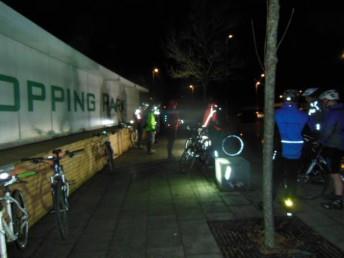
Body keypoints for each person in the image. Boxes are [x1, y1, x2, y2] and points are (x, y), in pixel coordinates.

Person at [274, 89, 309, 199]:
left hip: (280, 148)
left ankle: (272, 196)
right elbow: (308, 131)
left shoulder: (277, 113)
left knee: (276, 174)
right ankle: (291, 197)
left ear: (284, 100)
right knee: (292, 174)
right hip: (296, 149)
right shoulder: (304, 115)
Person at [318, 90, 344, 209]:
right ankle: (336, 193)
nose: (323, 102)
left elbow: (328, 130)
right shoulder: (341, 110)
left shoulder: (333, 113)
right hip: (340, 143)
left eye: (324, 100)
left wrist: (321, 141)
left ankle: (338, 200)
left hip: (335, 145)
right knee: (335, 171)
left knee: (334, 173)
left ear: (329, 100)